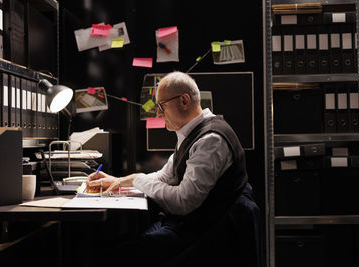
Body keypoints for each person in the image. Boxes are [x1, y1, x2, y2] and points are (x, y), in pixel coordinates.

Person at [86, 71, 258, 266]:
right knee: (120, 247)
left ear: (184, 101)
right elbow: (166, 175)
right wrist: (120, 181)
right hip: (196, 223)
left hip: (213, 231)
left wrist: (137, 180)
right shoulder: (192, 132)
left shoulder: (210, 140)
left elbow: (183, 201)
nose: (158, 114)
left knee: (117, 255)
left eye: (161, 106)